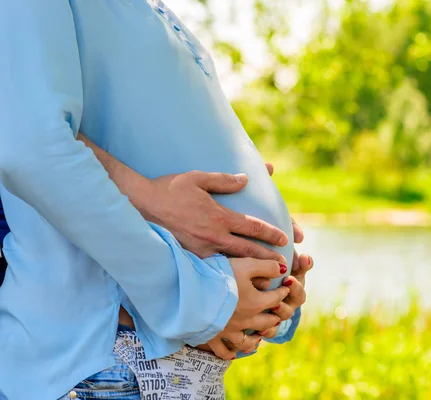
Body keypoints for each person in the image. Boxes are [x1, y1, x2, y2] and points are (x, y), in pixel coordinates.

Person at [0, 0, 311, 399]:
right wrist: (201, 300)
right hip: (108, 361)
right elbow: (33, 148)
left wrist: (272, 294)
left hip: (175, 365)